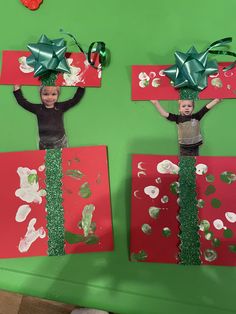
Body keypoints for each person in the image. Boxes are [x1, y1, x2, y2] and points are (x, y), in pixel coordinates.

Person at [13, 85, 85, 150]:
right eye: (46, 94)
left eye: (53, 94)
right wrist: (17, 88)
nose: (50, 97)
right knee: (46, 161)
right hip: (44, 144)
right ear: (40, 95)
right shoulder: (38, 108)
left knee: (62, 160)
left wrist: (81, 87)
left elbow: (75, 100)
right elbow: (22, 102)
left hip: (60, 142)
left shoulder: (61, 107)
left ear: (58, 95)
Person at [150, 98, 221, 156]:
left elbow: (206, 108)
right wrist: (156, 103)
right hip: (184, 147)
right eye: (183, 106)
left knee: (194, 162)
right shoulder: (177, 118)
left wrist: (216, 100)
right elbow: (164, 114)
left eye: (189, 106)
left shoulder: (196, 116)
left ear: (192, 108)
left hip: (195, 146)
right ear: (179, 109)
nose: (187, 108)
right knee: (185, 162)